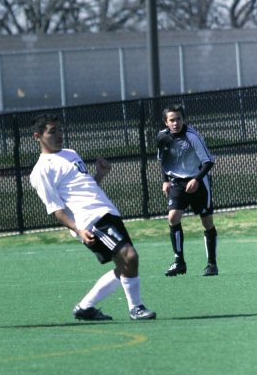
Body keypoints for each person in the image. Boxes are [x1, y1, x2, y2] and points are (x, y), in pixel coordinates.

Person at [30, 114, 156, 321]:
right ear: (37, 136)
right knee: (130, 257)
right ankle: (136, 308)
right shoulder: (41, 170)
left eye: (60, 130)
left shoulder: (70, 153)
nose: (59, 135)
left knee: (126, 265)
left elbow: (84, 188)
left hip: (106, 211)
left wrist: (99, 175)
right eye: (52, 132)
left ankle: (85, 307)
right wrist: (78, 229)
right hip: (89, 221)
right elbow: (55, 209)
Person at [157, 103, 218, 277]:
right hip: (177, 183)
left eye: (178, 119)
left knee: (206, 222)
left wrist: (196, 179)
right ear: (166, 122)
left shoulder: (192, 136)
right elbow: (163, 160)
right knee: (173, 217)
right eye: (172, 120)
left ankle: (212, 264)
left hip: (198, 182)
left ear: (183, 119)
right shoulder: (162, 137)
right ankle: (179, 262)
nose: (176, 123)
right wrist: (165, 181)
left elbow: (208, 161)